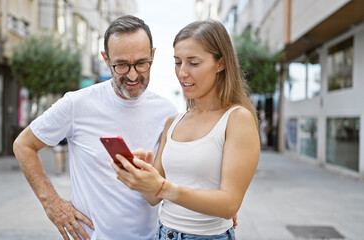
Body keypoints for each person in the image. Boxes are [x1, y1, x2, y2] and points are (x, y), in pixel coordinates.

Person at [13, 15, 178, 240]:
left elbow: (173, 179)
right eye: (121, 65)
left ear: (153, 55)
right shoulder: (76, 104)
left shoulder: (167, 111)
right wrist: (52, 205)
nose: (132, 74)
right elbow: (23, 144)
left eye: (141, 63)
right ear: (106, 59)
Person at [112, 20, 260, 240]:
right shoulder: (174, 121)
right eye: (178, 62)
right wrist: (140, 173)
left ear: (220, 63)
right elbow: (153, 197)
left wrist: (165, 188)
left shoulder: (237, 119)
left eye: (193, 63)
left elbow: (230, 204)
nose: (182, 73)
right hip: (164, 234)